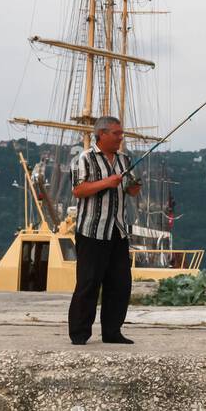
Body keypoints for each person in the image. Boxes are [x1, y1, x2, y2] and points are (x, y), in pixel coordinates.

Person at [68, 115, 140, 345]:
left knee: (120, 284)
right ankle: (79, 333)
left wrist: (134, 186)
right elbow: (78, 190)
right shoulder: (85, 158)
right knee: (88, 282)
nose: (121, 137)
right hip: (92, 231)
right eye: (116, 133)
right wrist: (107, 182)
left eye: (121, 133)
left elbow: (131, 191)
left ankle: (112, 331)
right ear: (102, 134)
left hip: (118, 230)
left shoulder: (124, 159)